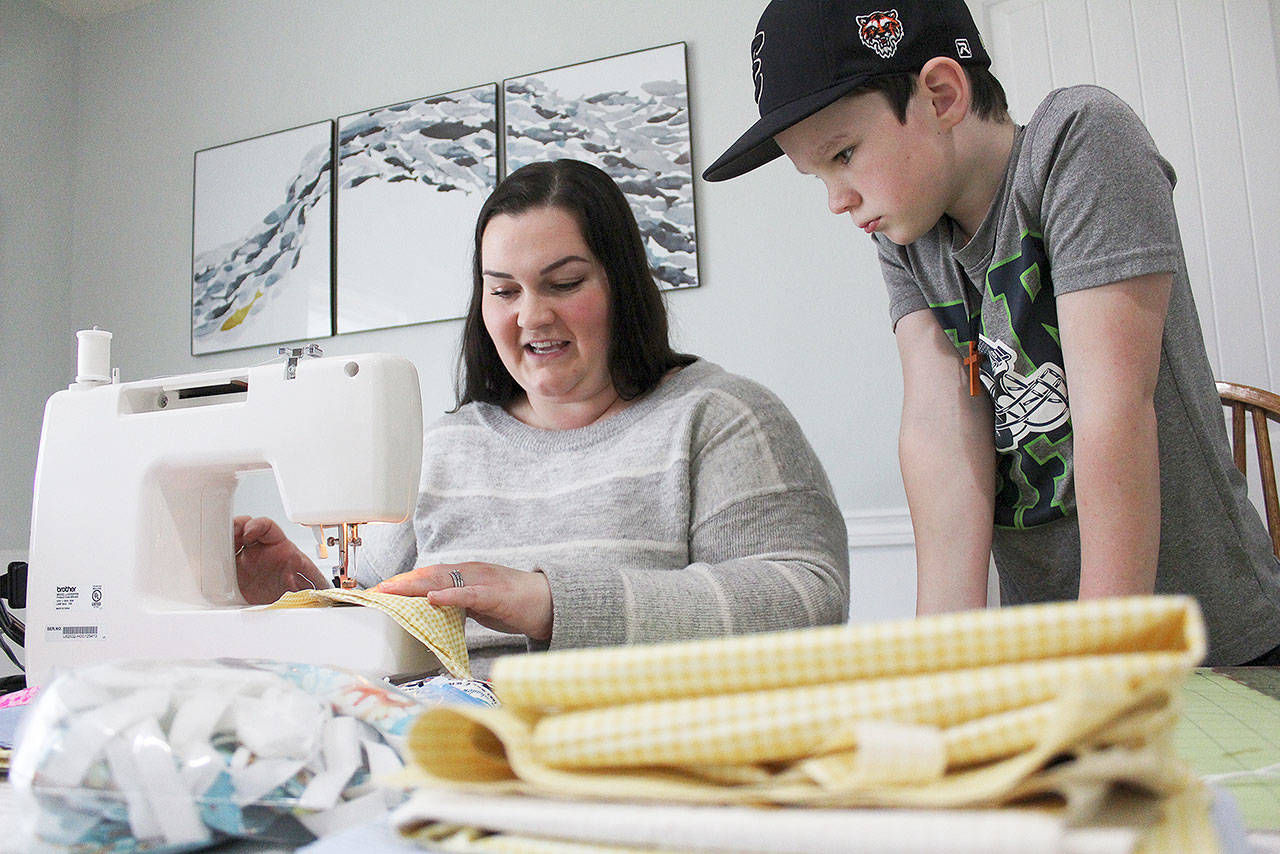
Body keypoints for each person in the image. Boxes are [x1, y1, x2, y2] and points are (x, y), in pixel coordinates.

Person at [701, 0, 1280, 665]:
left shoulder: (1080, 139)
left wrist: (1103, 668)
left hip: (1207, 646)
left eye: (844, 154)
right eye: (818, 176)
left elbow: (1113, 414)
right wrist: (940, 671)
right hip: (1045, 654)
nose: (837, 199)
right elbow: (940, 437)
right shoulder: (909, 236)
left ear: (942, 94)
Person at [237, 159, 849, 675]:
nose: (531, 316)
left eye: (563, 283)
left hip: (632, 764)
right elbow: (370, 614)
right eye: (504, 291)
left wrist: (547, 601)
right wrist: (290, 587)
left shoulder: (720, 418)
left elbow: (804, 598)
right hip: (441, 753)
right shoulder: (442, 448)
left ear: (623, 286)